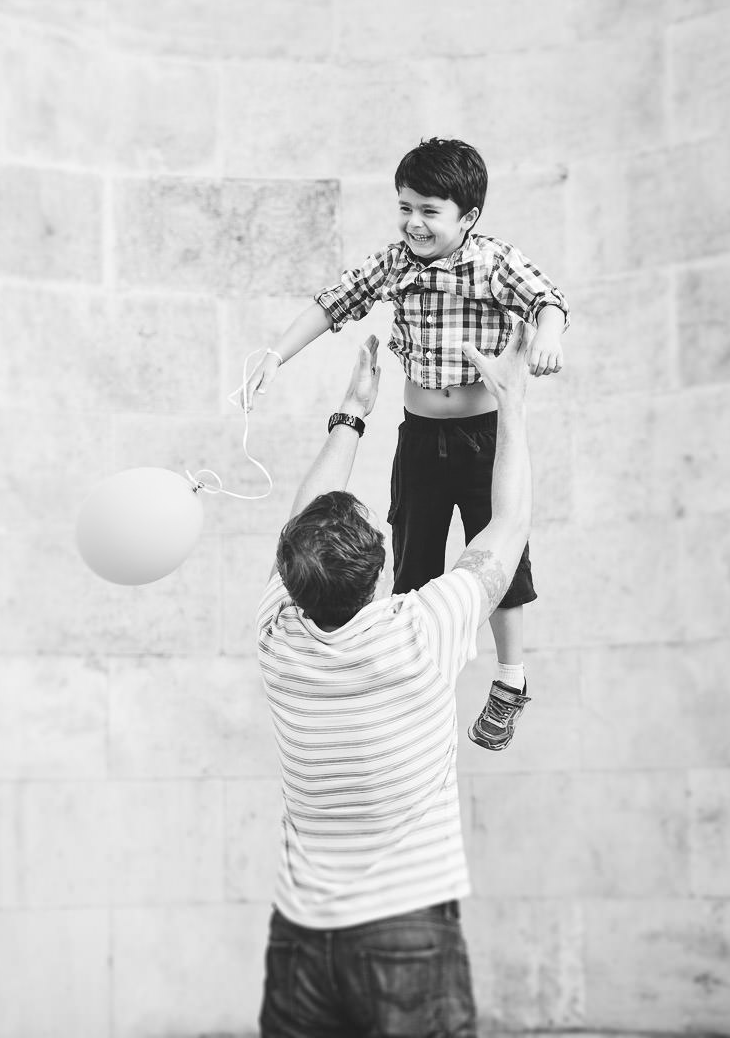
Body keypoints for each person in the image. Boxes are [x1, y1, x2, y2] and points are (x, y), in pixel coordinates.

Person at [240, 137, 568, 750]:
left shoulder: (494, 262)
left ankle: (510, 677)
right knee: (413, 556)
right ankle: (419, 678)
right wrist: (275, 355)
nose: (414, 223)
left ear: (468, 217)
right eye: (405, 208)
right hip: (420, 436)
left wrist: (548, 337)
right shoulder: (394, 263)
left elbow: (548, 300)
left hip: (483, 435)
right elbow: (332, 304)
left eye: (429, 211)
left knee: (500, 550)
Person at [256, 319, 535, 1036]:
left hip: (300, 938)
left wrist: (352, 413)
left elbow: (298, 529)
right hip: (407, 932)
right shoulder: (424, 630)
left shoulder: (277, 633)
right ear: (381, 571)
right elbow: (508, 523)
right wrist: (510, 405)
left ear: (291, 575)